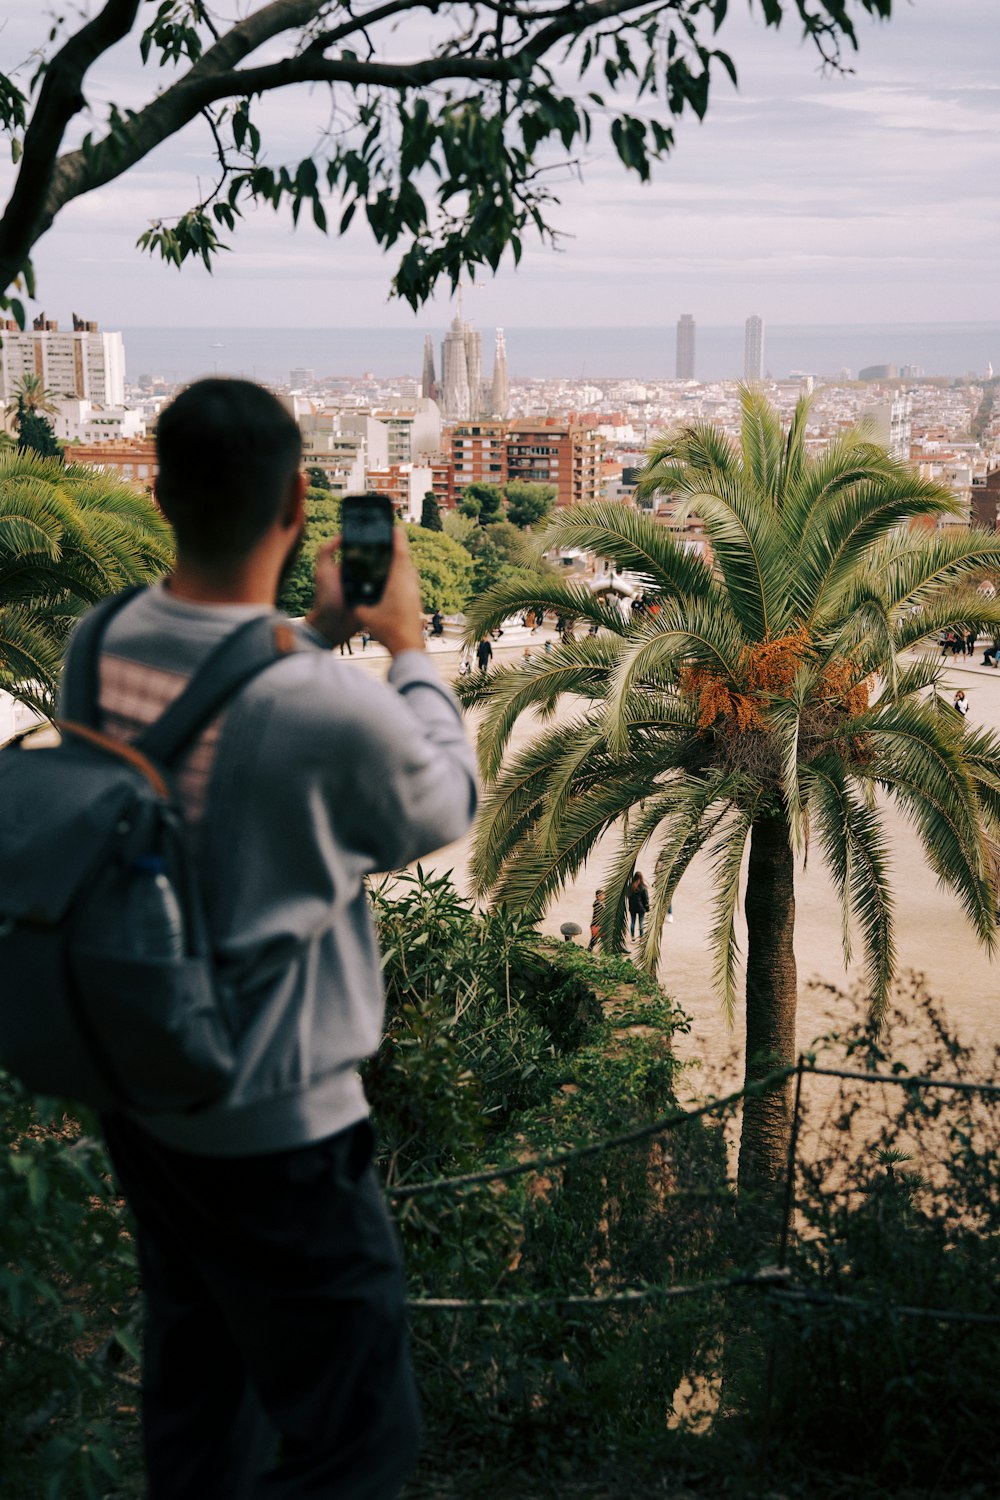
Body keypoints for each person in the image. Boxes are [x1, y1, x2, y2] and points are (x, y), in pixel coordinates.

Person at [64, 379, 478, 1500]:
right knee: (359, 1440)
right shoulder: (320, 706)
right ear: (300, 501)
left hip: (144, 1087)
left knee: (200, 1395)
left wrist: (320, 634)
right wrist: (409, 650)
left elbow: (209, 713)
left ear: (157, 495)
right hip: (278, 1125)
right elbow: (444, 801)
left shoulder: (96, 645)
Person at [627, 871, 650, 940]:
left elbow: (628, 896)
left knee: (633, 922)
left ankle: (633, 937)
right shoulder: (643, 888)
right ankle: (641, 938)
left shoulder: (630, 886)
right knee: (641, 923)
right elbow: (646, 899)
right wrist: (647, 908)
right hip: (641, 908)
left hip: (632, 907)